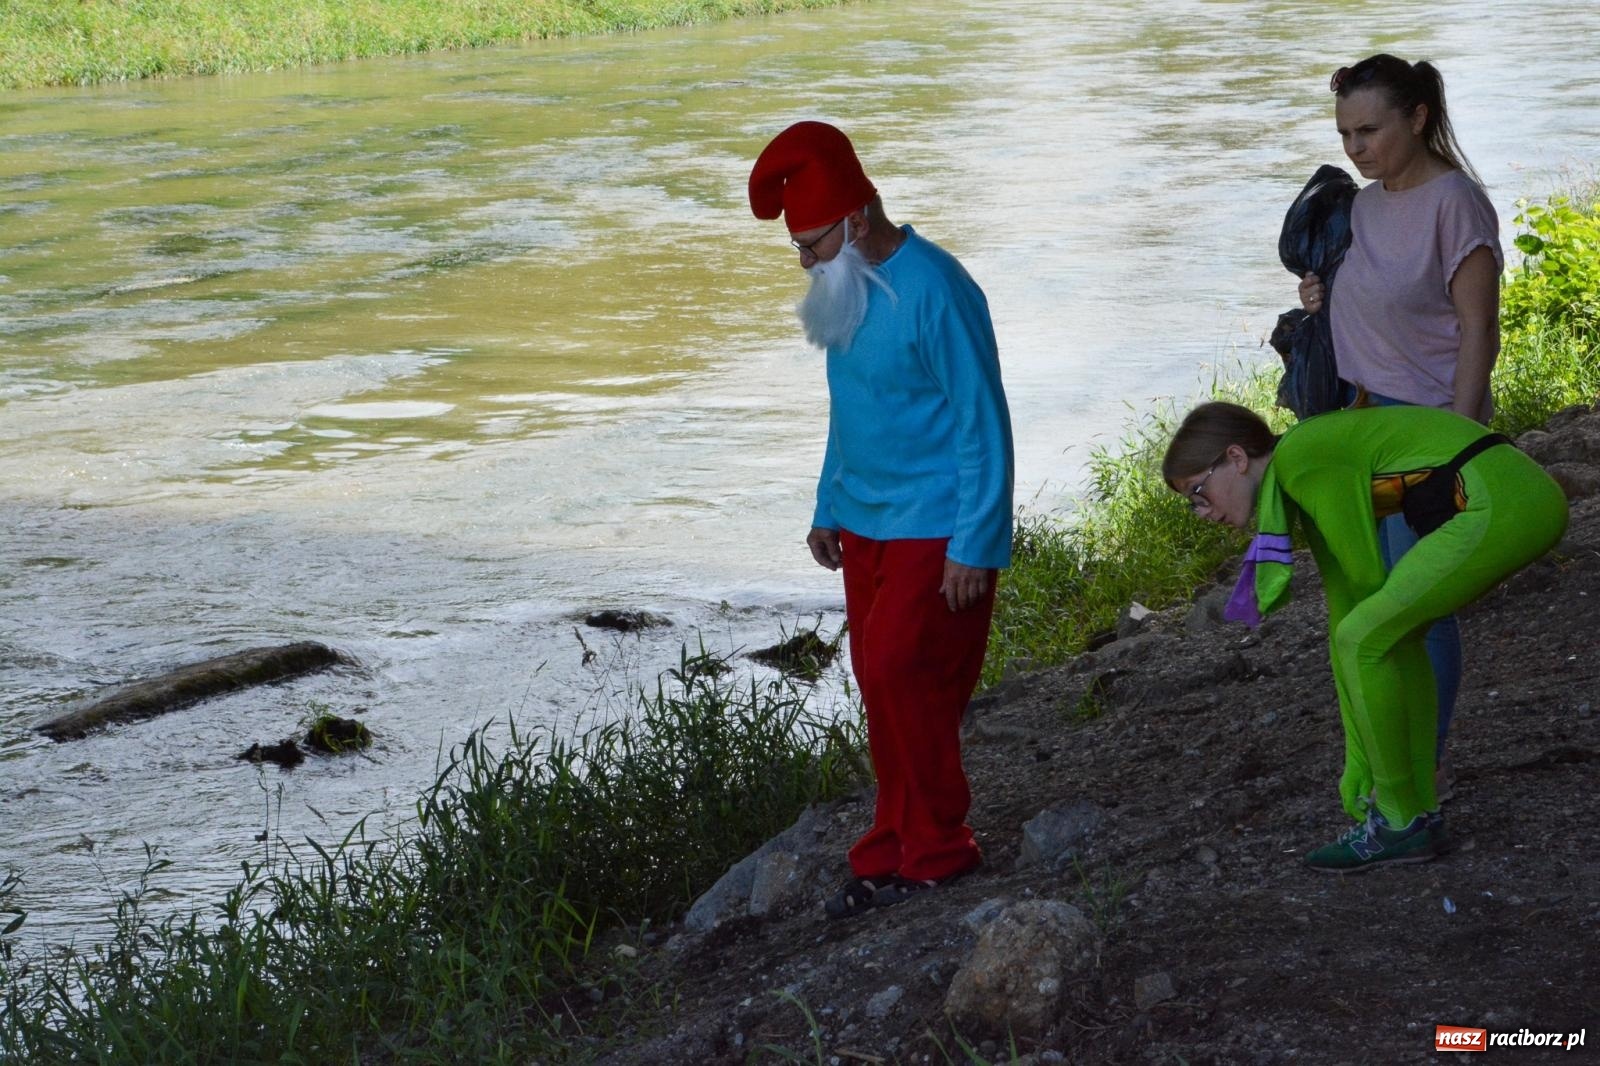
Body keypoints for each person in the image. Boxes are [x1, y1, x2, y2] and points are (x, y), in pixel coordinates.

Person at [747, 120, 1014, 917]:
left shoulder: (938, 289)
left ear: (857, 220)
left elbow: (983, 423)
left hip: (935, 525)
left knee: (905, 674)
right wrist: (827, 504)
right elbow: (851, 410)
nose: (805, 263)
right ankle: (894, 839)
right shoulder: (849, 285)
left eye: (812, 245)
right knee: (878, 682)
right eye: (797, 247)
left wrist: (975, 543)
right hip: (863, 523)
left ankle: (941, 846)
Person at [1164, 401, 1566, 873]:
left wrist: (1369, 761)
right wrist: (1357, 757)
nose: (1200, 512)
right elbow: (1344, 609)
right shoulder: (1297, 474)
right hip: (1510, 499)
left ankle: (1398, 820)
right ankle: (1419, 810)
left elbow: (1365, 583)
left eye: (1198, 493)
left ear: (1235, 458)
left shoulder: (1303, 460)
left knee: (1368, 638)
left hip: (1506, 501)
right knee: (1389, 636)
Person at [1297, 53, 1503, 800]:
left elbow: (1479, 330)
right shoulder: (1363, 205)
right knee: (1379, 592)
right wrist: (1322, 294)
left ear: (1417, 118)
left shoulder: (1456, 204)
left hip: (1426, 433)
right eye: (1345, 134)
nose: (1356, 148)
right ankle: (1401, 755)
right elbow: (1373, 295)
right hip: (1360, 424)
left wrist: (1460, 443)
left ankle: (1426, 765)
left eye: (1370, 131)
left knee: (1418, 609)